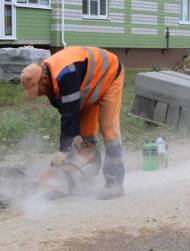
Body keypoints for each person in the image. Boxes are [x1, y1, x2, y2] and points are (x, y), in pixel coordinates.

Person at [20, 46, 125, 200]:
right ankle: (81, 179)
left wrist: (64, 150)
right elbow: (67, 113)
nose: (39, 94)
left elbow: (69, 113)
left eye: (38, 89)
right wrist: (73, 139)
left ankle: (115, 183)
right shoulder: (50, 78)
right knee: (85, 137)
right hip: (87, 86)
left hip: (108, 74)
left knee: (108, 129)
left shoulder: (66, 73)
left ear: (44, 80)